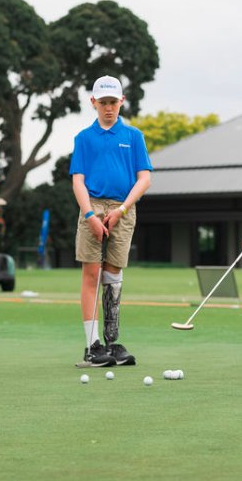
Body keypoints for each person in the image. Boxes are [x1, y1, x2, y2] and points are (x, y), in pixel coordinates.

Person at [70, 76, 152, 368]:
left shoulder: (133, 136)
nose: (108, 108)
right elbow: (77, 180)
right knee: (91, 272)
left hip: (123, 207)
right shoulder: (83, 138)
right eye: (103, 102)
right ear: (93, 103)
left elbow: (144, 177)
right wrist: (90, 214)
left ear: (121, 102)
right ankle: (92, 345)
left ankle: (112, 341)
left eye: (113, 102)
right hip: (91, 204)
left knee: (114, 273)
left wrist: (124, 209)